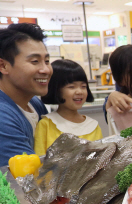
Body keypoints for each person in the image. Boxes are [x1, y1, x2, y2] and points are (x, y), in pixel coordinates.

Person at [0, 23, 50, 166]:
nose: (45, 69)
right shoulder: (3, 117)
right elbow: (29, 178)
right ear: (3, 66)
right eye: (35, 61)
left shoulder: (34, 103)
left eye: (47, 61)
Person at [35, 60, 102, 156]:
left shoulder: (93, 126)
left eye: (83, 86)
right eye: (71, 87)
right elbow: (39, 162)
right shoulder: (46, 125)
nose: (79, 91)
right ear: (56, 90)